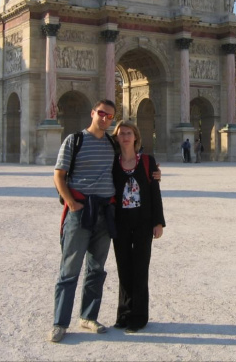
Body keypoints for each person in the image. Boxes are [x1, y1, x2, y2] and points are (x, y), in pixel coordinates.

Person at [49, 99, 118, 343]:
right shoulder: (74, 140)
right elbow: (59, 175)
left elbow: (130, 166)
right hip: (80, 210)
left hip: (104, 211)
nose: (105, 119)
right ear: (92, 113)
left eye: (110, 116)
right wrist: (71, 202)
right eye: (101, 113)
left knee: (97, 269)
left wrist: (154, 171)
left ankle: (88, 317)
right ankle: (60, 322)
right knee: (69, 269)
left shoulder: (112, 143)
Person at [111, 121, 165, 333]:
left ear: (136, 137)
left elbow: (155, 193)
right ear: (116, 138)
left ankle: (139, 316)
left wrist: (158, 222)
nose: (125, 136)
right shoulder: (112, 162)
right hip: (120, 222)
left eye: (128, 133)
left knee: (140, 269)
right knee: (124, 268)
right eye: (121, 133)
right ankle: (124, 313)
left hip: (143, 222)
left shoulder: (147, 161)